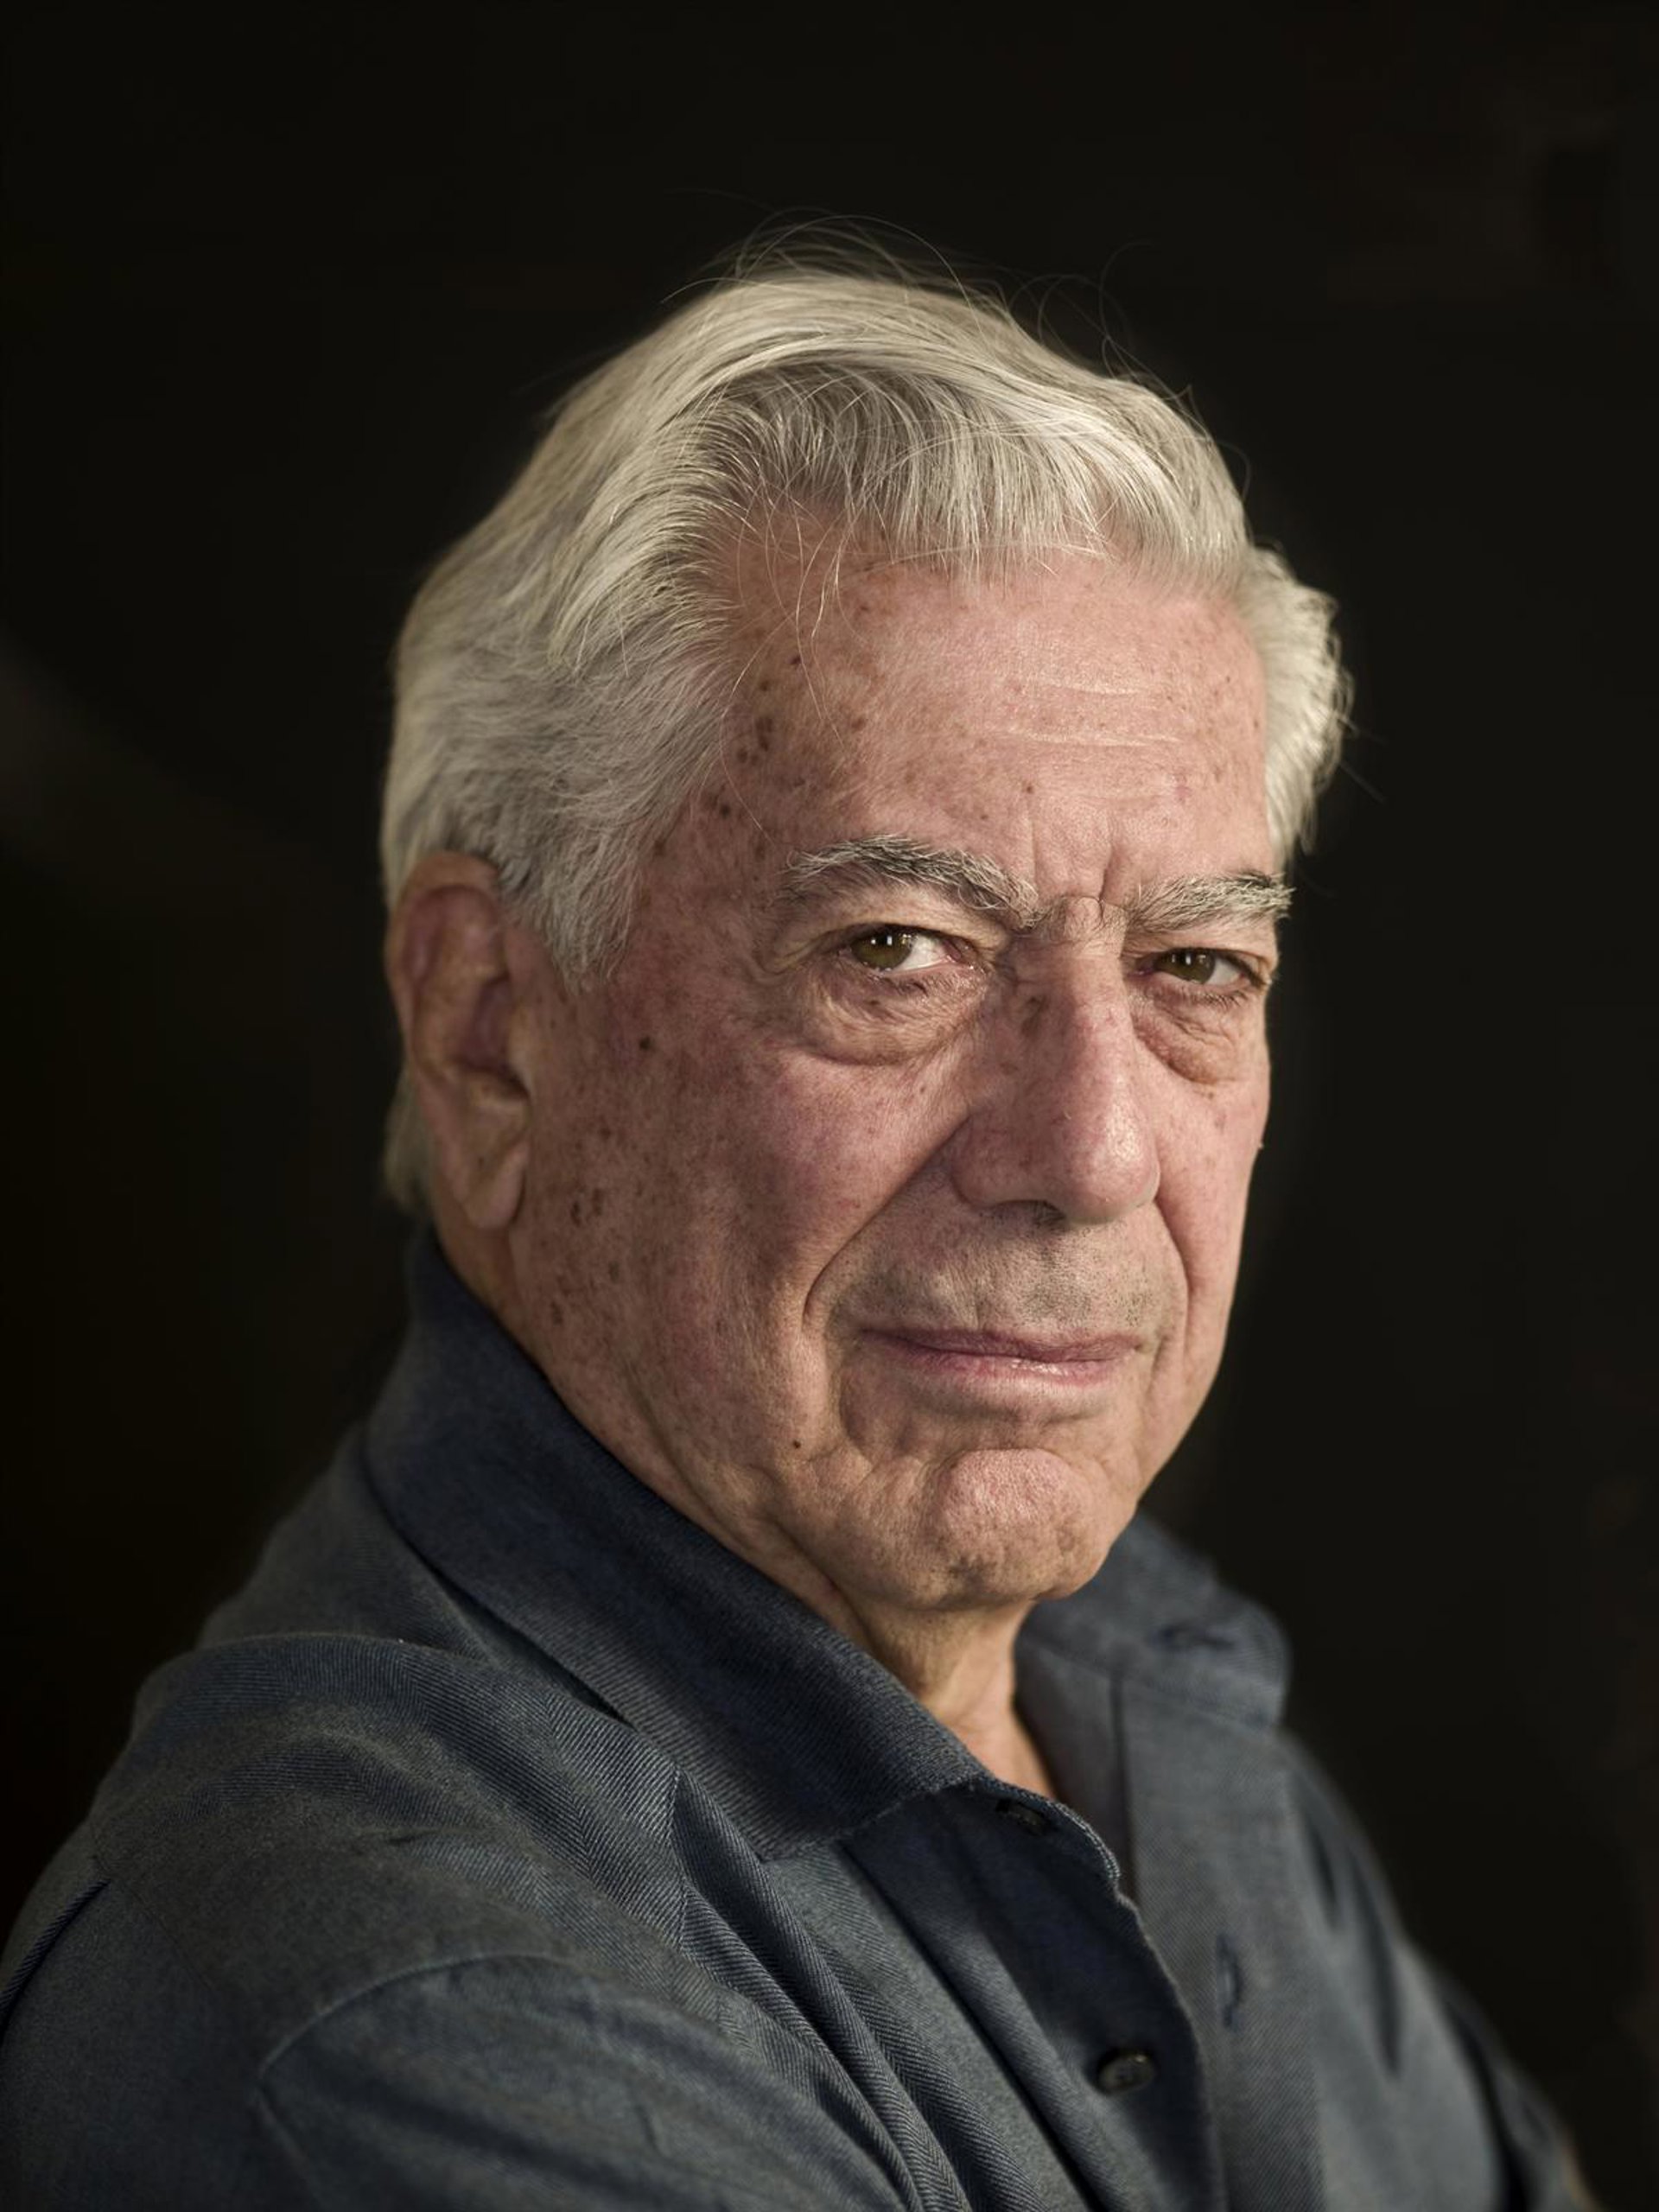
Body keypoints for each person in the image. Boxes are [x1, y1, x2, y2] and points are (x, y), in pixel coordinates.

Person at [0, 257, 1589, 2209]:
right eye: (898, 951)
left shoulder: (1130, 1682)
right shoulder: (401, 2010)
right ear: (490, 1031)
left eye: (1194, 963)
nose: (1095, 1151)